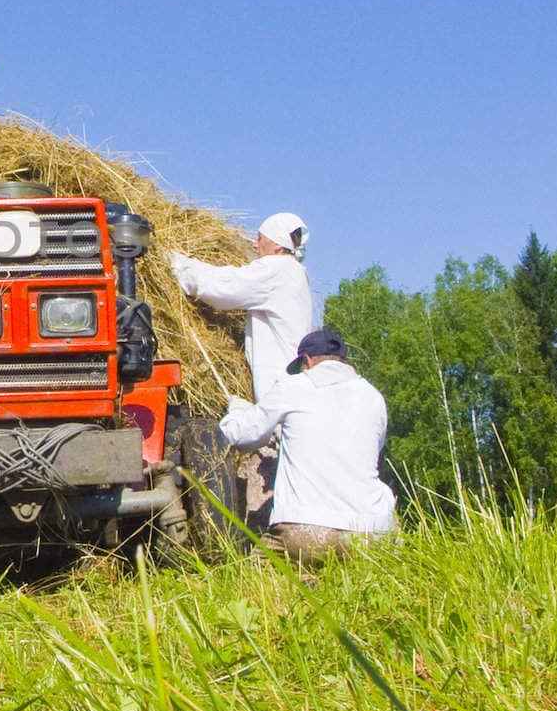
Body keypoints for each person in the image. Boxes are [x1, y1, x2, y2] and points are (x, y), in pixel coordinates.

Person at [169, 211, 312, 533]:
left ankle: (282, 535)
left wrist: (178, 265)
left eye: (259, 238)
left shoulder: (277, 271)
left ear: (275, 243)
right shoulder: (295, 274)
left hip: (278, 389)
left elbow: (224, 288)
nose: (254, 244)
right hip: (285, 386)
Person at [218, 328, 397, 564]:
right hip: (370, 534)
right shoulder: (373, 397)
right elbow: (371, 448)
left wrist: (237, 412)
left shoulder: (292, 386)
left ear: (307, 361)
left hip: (307, 530)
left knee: (256, 583)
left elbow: (243, 435)